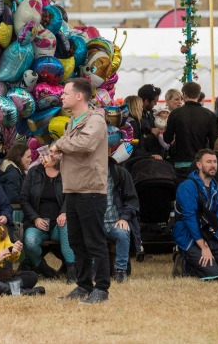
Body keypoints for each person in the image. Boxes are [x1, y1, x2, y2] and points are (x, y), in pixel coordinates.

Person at [52, 78, 110, 304]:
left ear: (79, 96)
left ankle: (102, 288)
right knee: (76, 242)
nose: (62, 96)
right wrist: (56, 157)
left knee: (94, 241)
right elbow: (72, 150)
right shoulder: (71, 122)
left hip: (91, 188)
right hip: (73, 188)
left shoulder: (95, 120)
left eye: (66, 93)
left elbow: (86, 144)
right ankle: (83, 285)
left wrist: (59, 145)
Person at [173, 149, 218, 278]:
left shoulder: (215, 188)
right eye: (209, 162)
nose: (213, 165)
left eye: (215, 162)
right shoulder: (187, 186)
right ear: (199, 165)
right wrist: (204, 247)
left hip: (209, 236)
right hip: (188, 236)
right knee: (214, 274)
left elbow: (217, 219)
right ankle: (184, 262)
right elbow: (189, 218)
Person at [20, 145, 75, 282]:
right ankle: (42, 267)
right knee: (30, 241)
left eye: (53, 152)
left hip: (58, 223)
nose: (48, 154)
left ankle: (72, 271)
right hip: (37, 222)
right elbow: (24, 199)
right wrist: (35, 218)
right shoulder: (34, 172)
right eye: (48, 151)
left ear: (61, 156)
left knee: (65, 225)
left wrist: (64, 212)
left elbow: (72, 195)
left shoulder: (67, 172)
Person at [164, 82, 218, 181]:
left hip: (180, 162)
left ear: (184, 94)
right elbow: (214, 141)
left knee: (183, 191)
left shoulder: (175, 114)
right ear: (198, 95)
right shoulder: (209, 114)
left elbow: (167, 138)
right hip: (201, 162)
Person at [104, 143, 141, 284]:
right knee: (89, 233)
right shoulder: (88, 175)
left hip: (115, 220)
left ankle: (120, 270)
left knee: (122, 232)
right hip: (96, 221)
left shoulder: (121, 173)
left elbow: (132, 201)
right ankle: (94, 269)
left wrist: (124, 218)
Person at [137, 84, 163, 157]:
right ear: (146, 101)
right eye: (154, 102)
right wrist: (152, 135)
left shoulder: (150, 113)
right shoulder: (136, 117)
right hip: (145, 159)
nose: (156, 104)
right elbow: (137, 144)